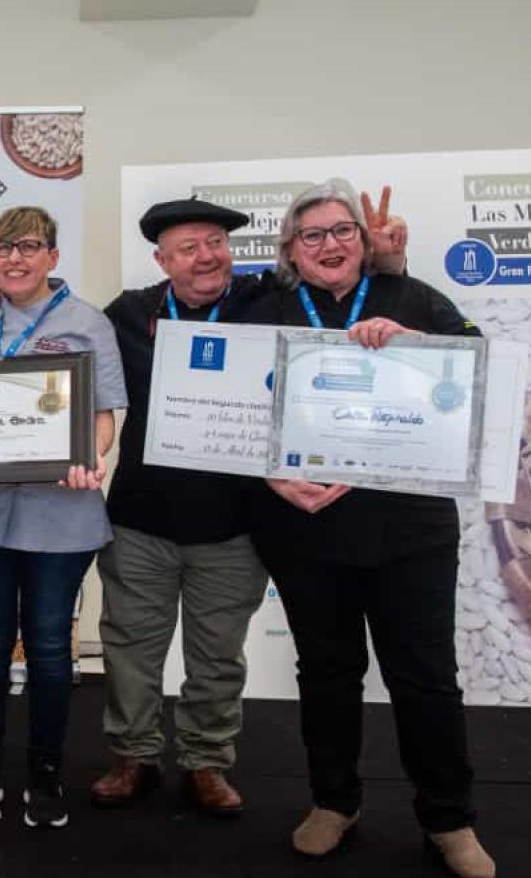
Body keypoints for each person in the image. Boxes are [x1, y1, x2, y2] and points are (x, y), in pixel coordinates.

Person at [93, 193, 411, 816]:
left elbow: (342, 286)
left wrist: (389, 261)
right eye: (189, 248)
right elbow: (73, 351)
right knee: (129, 650)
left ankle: (207, 762)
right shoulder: (128, 314)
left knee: (217, 655)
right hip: (140, 522)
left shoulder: (268, 300)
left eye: (216, 243)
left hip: (235, 526)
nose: (207, 257)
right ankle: (133, 755)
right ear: (162, 260)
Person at [249, 181, 493, 878]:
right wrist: (270, 477)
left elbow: (479, 364)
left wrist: (419, 347)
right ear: (290, 250)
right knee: (327, 675)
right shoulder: (264, 310)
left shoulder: (412, 298)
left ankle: (449, 819)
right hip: (306, 530)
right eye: (312, 235)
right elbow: (230, 409)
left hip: (411, 530)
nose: (329, 245)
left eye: (342, 231)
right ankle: (334, 802)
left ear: (364, 239)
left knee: (426, 679)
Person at [0, 206, 125, 828]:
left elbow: (103, 415)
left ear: (52, 255)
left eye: (27, 247)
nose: (14, 259)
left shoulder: (88, 323)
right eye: (3, 248)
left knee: (49, 649)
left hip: (60, 513)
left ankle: (46, 776)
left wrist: (89, 456)